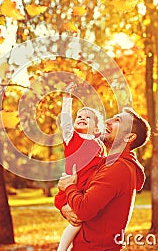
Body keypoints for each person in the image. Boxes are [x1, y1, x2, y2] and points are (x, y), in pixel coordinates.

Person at [57, 107, 151, 250]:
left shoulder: (117, 169)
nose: (107, 121)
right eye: (112, 117)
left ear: (129, 137)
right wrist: (64, 207)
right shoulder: (105, 164)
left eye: (117, 120)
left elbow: (83, 209)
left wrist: (69, 187)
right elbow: (81, 204)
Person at [55, 82, 107, 251]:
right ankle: (62, 249)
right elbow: (65, 121)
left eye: (88, 117)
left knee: (86, 222)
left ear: (96, 126)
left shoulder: (99, 144)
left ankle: (72, 248)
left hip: (87, 191)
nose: (82, 118)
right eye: (79, 116)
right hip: (73, 187)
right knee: (77, 221)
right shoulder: (72, 138)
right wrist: (67, 98)